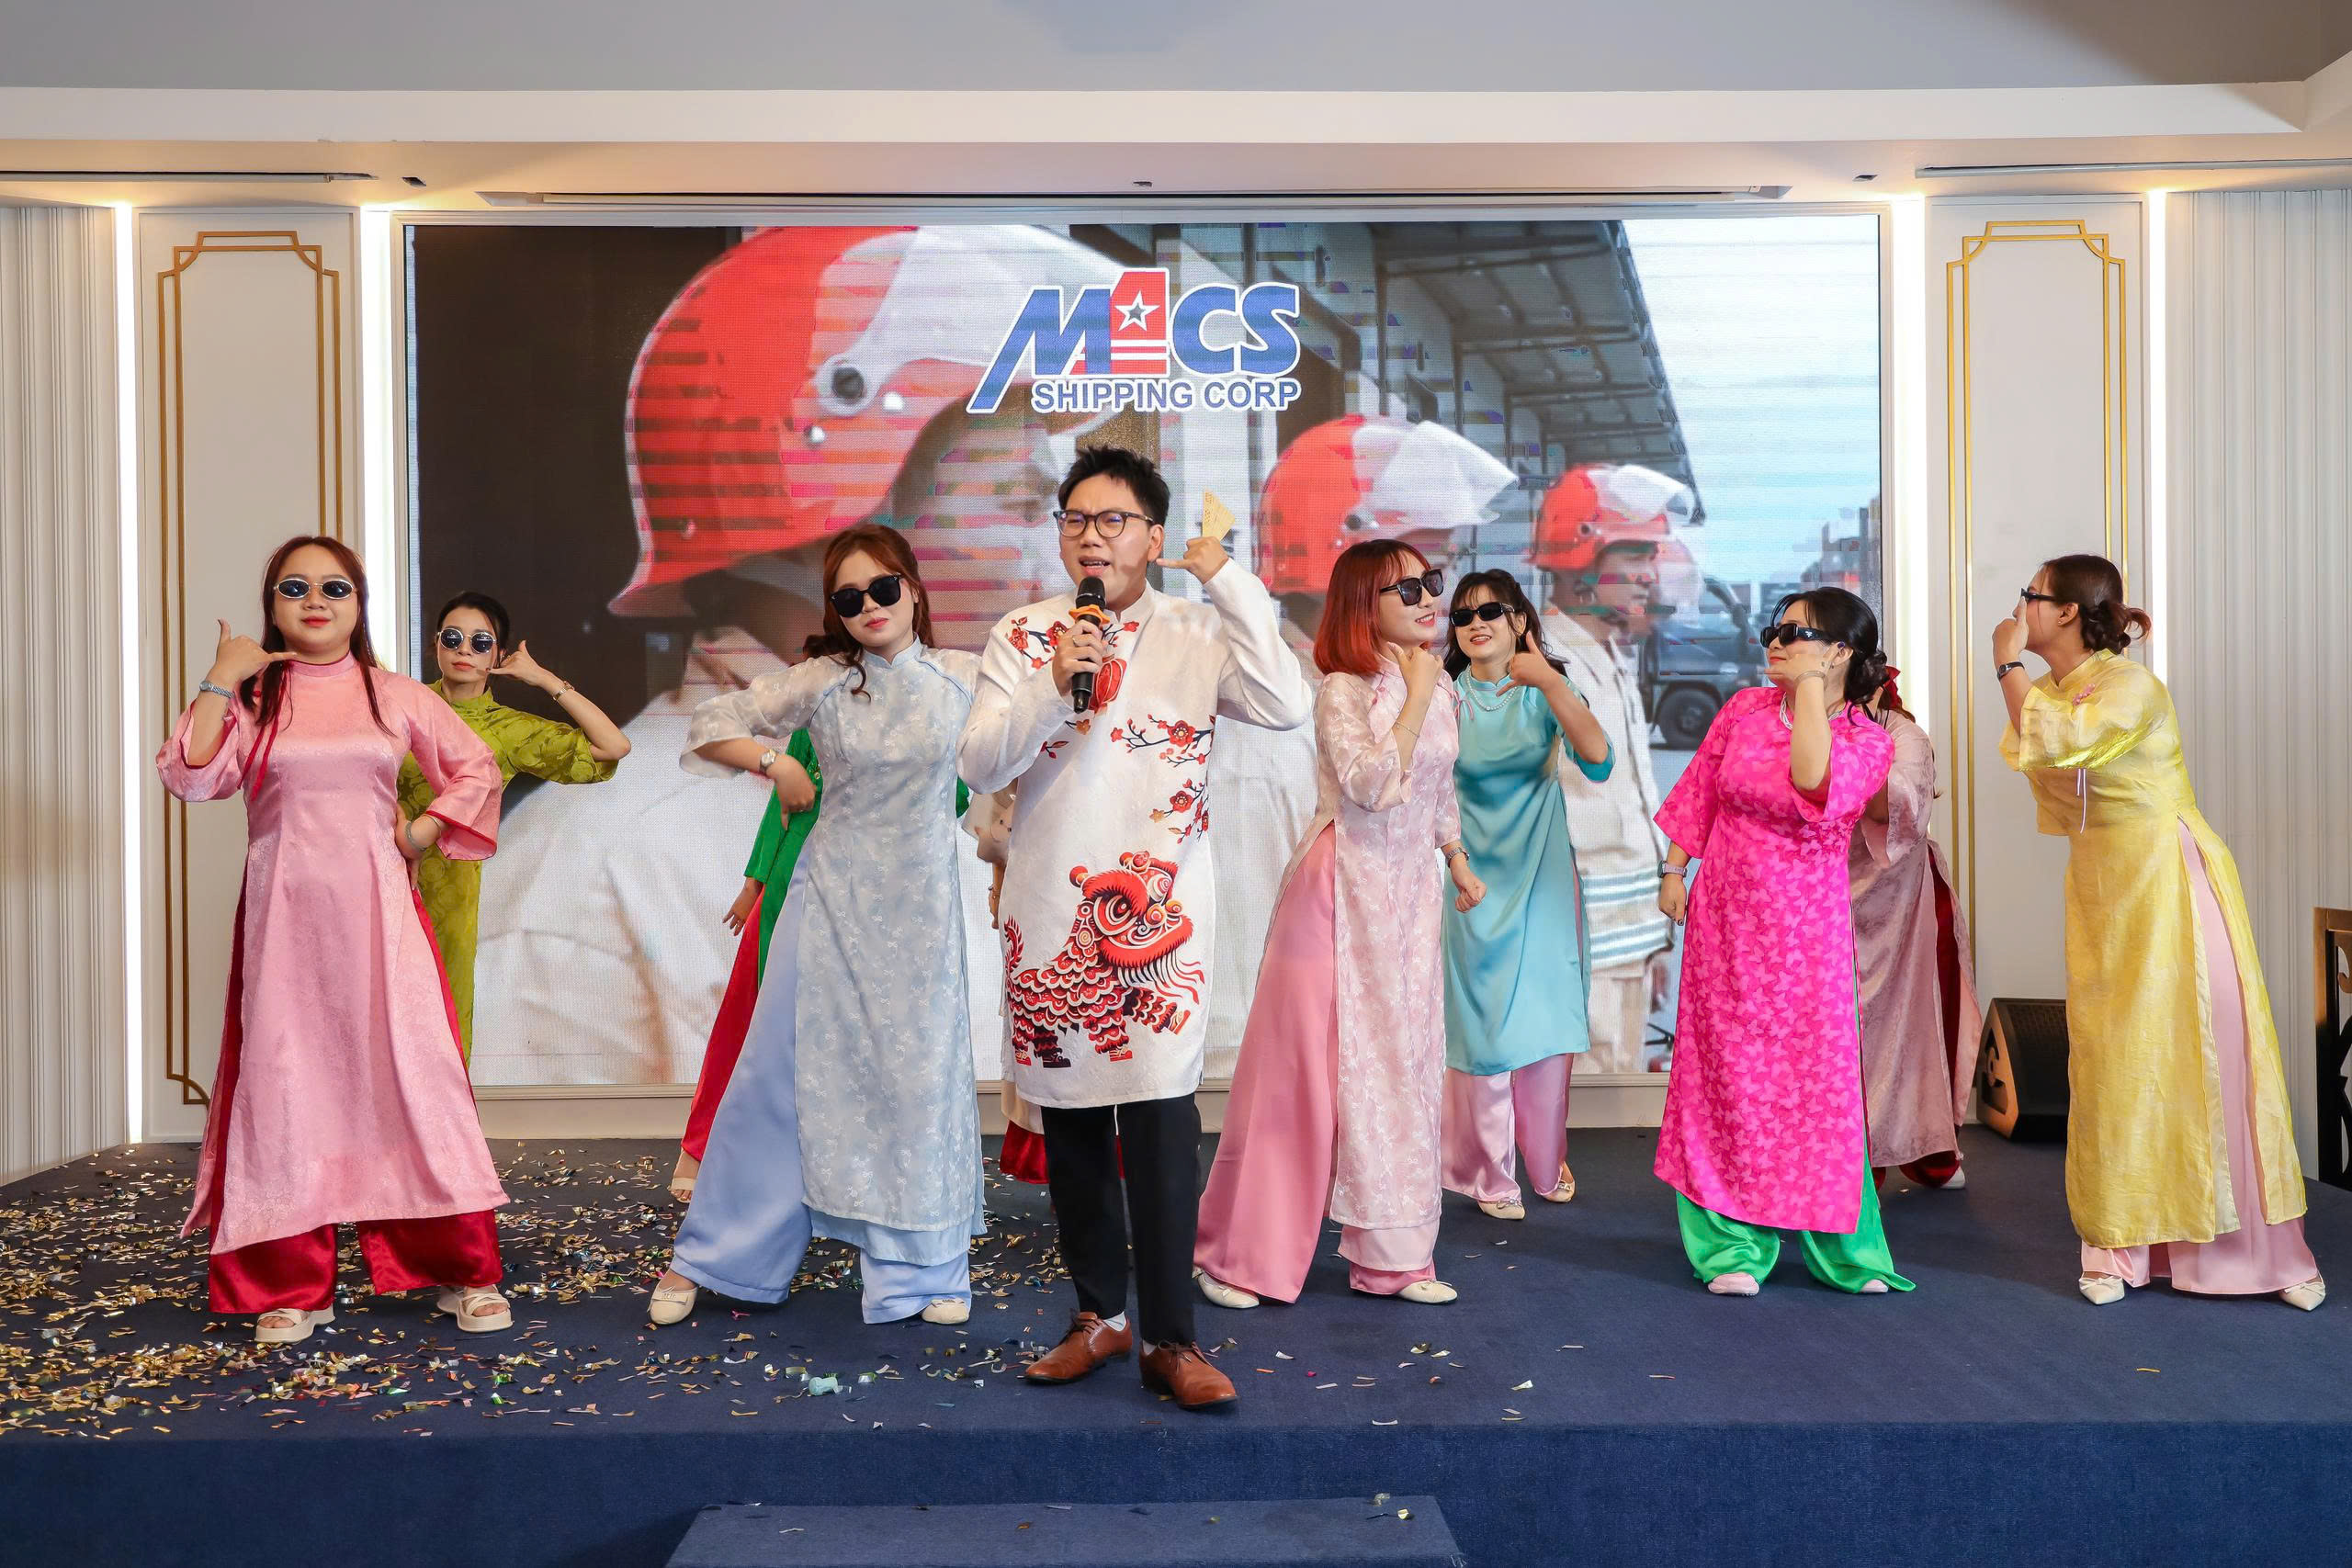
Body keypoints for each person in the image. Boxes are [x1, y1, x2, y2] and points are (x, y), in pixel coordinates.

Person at [473, 225, 1133, 1087]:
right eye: (1016, 503)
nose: (1061, 570)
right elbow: (552, 1161)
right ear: (830, 535)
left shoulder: (964, 788)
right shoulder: (597, 866)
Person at [958, 445, 1312, 1410]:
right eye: (1076, 519)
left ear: (1153, 538)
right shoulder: (1025, 634)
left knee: (1160, 1131)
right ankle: (1098, 1316)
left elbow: (1287, 703)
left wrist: (1226, 578)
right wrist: (1050, 684)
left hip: (1161, 927)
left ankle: (1171, 1338)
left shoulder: (1200, 630)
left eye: (1113, 520)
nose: (1092, 536)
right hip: (1051, 912)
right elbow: (981, 763)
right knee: (1072, 1131)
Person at [157, 536, 512, 1344]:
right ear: (272, 605)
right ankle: (290, 1281)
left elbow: (477, 768)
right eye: (295, 587)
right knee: (287, 1088)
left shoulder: (394, 695)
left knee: (414, 1078)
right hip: (284, 926)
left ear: (358, 604)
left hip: (381, 919)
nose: (315, 601)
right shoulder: (254, 699)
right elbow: (190, 773)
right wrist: (221, 676)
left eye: (334, 587)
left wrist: (419, 832)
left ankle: (463, 1267)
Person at [647, 526, 985, 1328]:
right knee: (775, 1081)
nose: (870, 606)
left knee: (917, 1086)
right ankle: (717, 1254)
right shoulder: (825, 682)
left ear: (914, 588)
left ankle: (922, 1270)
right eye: (849, 597)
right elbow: (713, 720)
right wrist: (777, 762)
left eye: (884, 588)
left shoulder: (966, 677)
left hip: (922, 919)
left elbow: (1018, 751)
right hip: (827, 902)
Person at [1995, 555, 2323, 1310]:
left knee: (2210, 1049)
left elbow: (2059, 743)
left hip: (2170, 877)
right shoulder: (2054, 693)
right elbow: (2046, 753)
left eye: (2030, 596)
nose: (2020, 608)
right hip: (2103, 888)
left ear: (2067, 611)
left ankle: (2262, 1252)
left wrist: (2006, 662)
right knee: (2115, 1061)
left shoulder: (2131, 686)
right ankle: (2117, 1246)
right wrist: (2021, 678)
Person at [1193, 543, 1486, 1310]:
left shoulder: (1438, 683)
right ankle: (1241, 1257)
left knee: (1401, 1066)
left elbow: (1437, 789)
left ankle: (1395, 1258)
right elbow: (1369, 784)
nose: (1429, 598)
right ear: (1364, 604)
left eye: (1430, 583)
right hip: (1336, 891)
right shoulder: (1342, 690)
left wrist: (1456, 858)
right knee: (1299, 1076)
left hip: (1410, 900)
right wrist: (1414, 696)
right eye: (1407, 589)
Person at [1654, 588, 1908, 1297]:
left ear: (1841, 651)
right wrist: (1673, 869)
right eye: (1775, 629)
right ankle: (1731, 1246)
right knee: (1725, 1079)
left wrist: (1809, 695)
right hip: (1724, 926)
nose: (1776, 641)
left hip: (1806, 938)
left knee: (1815, 1087)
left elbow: (1810, 779)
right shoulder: (1743, 710)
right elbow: (1699, 791)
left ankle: (1845, 1250)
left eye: (1796, 632)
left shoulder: (1869, 740)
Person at [1437, 570, 1612, 1218]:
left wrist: (1551, 683)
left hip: (1542, 880)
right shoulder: (1444, 696)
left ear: (1519, 620)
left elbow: (1599, 761)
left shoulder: (1546, 689)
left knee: (1545, 1022)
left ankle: (1544, 1158)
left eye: (1490, 611)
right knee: (1483, 1032)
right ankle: (1488, 1172)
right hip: (1471, 882)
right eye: (1462, 616)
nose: (1475, 624)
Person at [395, 592, 628, 1064]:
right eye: (452, 638)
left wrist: (543, 679)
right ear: (435, 645)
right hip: (377, 875)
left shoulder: (508, 730)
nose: (464, 650)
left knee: (440, 1018)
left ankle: (443, 1113)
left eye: (480, 642)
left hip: (450, 895)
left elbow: (613, 746)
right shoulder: (401, 707)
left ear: (498, 656)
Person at [1534, 464, 1692, 1073]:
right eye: (1634, 554)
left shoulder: (1609, 654)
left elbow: (1633, 800)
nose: (1651, 573)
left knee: (1620, 1084)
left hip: (1626, 937)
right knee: (1583, 1098)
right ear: (1578, 558)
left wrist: (1653, 942)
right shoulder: (1544, 665)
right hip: (1577, 942)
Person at [670, 719, 819, 1202]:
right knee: (746, 1021)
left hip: (875, 890)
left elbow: (956, 796)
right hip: (793, 881)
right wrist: (755, 883)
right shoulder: (821, 707)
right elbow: (783, 805)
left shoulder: (928, 704)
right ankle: (701, 1148)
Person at [1849, 669, 1981, 1189]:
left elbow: (1900, 810)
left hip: (1908, 902)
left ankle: (1927, 1150)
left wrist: (1854, 741)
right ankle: (1839, 1160)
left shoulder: (1903, 736)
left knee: (1920, 1027)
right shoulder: (1795, 726)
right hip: (1827, 901)